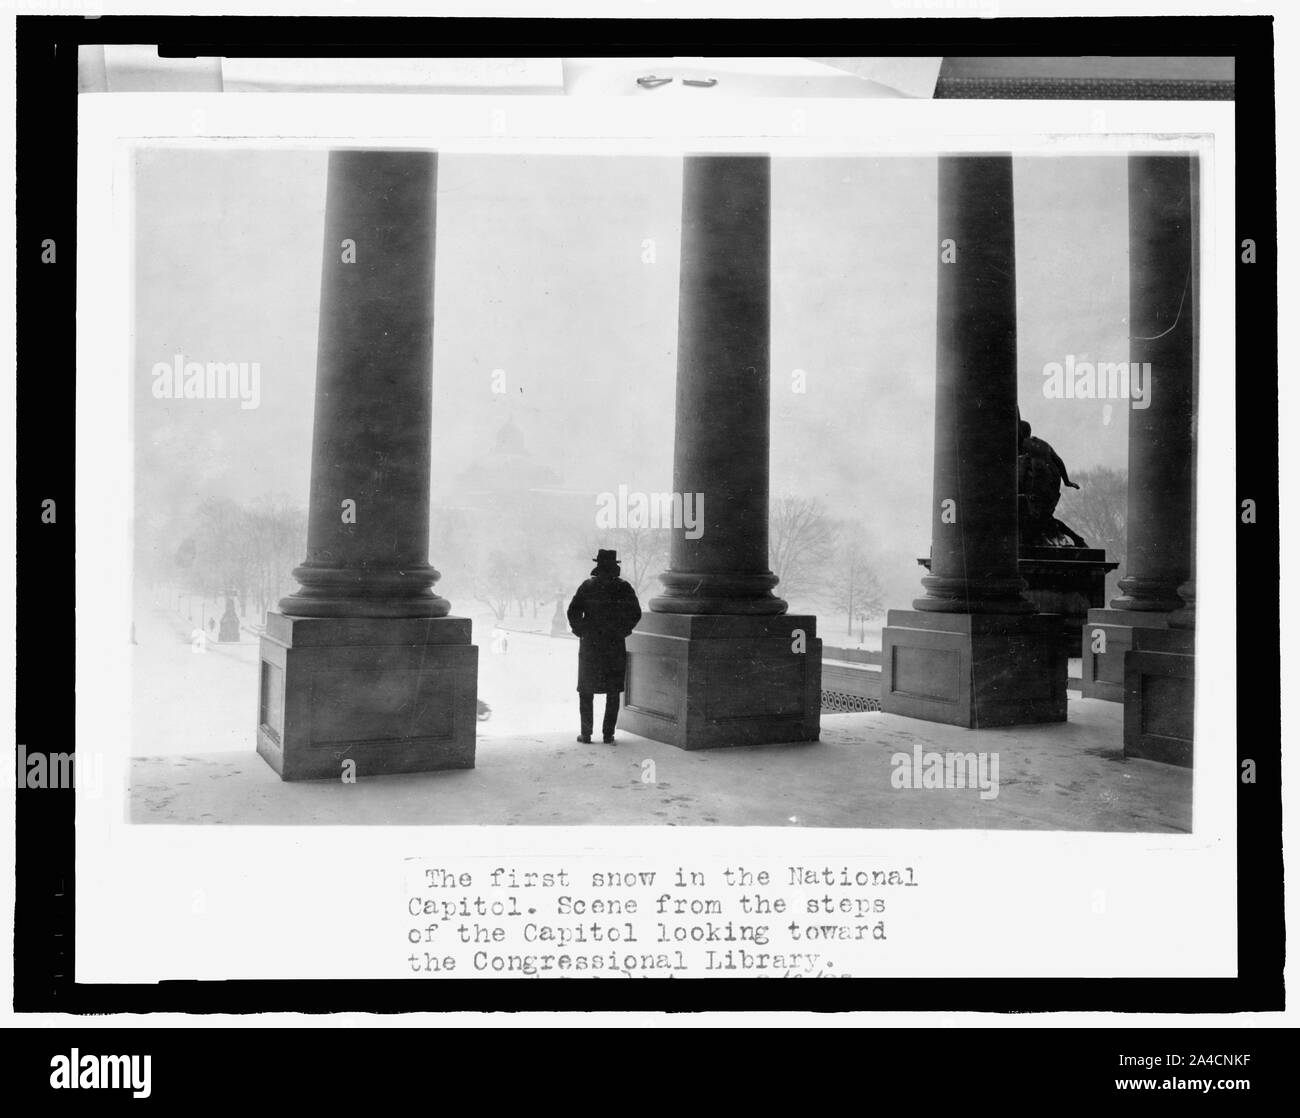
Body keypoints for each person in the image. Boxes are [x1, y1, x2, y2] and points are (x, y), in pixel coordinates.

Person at [566, 549, 642, 744]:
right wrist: (622, 630)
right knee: (613, 691)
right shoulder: (624, 588)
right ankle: (608, 734)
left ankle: (586, 734)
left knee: (586, 690)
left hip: (590, 645)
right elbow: (635, 613)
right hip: (614, 644)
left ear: (597, 565)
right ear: (615, 566)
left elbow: (573, 611)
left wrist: (581, 630)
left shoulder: (587, 586)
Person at [1018, 419, 1087, 547]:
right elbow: (1058, 461)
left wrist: (1026, 490)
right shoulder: (1042, 444)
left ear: (1019, 432)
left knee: (1038, 518)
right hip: (1053, 485)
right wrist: (1067, 481)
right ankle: (1077, 539)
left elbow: (1027, 467)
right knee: (1045, 517)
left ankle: (1047, 541)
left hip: (1038, 486)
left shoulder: (1022, 445)